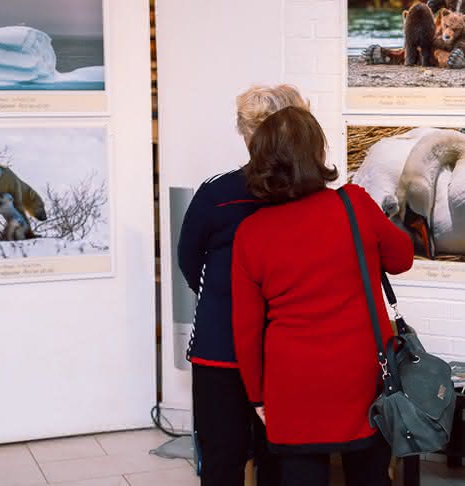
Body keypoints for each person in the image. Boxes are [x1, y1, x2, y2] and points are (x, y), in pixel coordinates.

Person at [232, 106, 414, 486]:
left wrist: (257, 396)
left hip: (292, 382)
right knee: (369, 476)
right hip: (363, 374)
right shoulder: (354, 204)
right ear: (316, 153)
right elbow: (402, 258)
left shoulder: (250, 233)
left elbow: (246, 331)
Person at [177, 84, 308, 486]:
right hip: (282, 348)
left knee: (221, 462)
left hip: (222, 349)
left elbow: (188, 261)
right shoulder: (307, 195)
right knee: (279, 460)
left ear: (247, 133)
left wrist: (225, 301)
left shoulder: (216, 193)